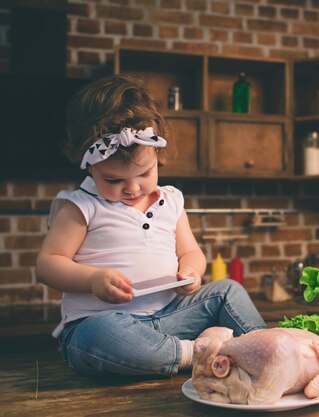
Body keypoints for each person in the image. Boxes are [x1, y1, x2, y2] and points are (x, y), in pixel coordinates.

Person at [35, 75, 266, 377]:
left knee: (228, 291)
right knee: (95, 336)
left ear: (157, 154)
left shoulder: (171, 200)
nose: (132, 189)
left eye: (144, 173)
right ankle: (194, 353)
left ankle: (266, 346)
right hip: (107, 321)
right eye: (114, 180)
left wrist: (192, 273)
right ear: (88, 165)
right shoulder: (81, 206)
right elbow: (47, 264)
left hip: (172, 315)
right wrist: (93, 280)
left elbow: (190, 252)